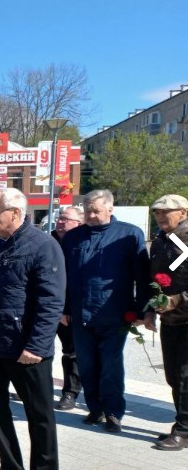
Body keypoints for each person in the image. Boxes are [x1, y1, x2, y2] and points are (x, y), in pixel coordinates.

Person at [0, 189, 64, 470]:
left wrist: (36, 346)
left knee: (39, 416)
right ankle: (10, 465)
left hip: (27, 350)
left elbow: (51, 302)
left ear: (15, 213)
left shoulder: (42, 246)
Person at [62, 190, 149, 433]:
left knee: (110, 366)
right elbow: (65, 277)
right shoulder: (73, 238)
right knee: (87, 365)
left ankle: (113, 412)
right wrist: (64, 309)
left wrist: (143, 310)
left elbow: (142, 276)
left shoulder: (129, 235)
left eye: (96, 211)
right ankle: (95, 408)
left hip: (115, 313)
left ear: (110, 210)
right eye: (87, 210)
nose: (90, 215)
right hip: (80, 314)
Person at [146, 194, 188, 450]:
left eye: (166, 212)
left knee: (185, 376)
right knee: (173, 375)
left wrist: (177, 300)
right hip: (170, 319)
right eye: (156, 213)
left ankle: (183, 431)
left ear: (183, 212)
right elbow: (156, 280)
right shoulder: (161, 241)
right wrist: (151, 309)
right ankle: (182, 425)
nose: (160, 217)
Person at [51, 206, 84, 410]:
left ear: (78, 224)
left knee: (71, 353)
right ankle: (36, 387)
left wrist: (66, 309)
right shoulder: (48, 240)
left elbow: (76, 280)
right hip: (44, 306)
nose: (60, 222)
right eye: (59, 218)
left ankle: (70, 393)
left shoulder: (81, 243)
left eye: (66, 219)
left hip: (67, 310)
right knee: (39, 349)